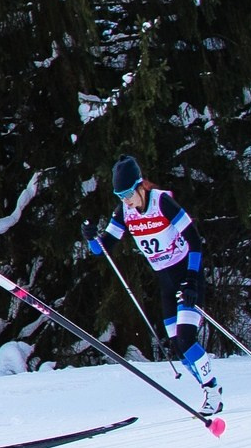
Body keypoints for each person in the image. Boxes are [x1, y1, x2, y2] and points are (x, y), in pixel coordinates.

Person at [87, 156, 223, 416]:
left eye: (128, 193)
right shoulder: (123, 212)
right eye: (119, 194)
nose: (125, 199)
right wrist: (91, 237)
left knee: (186, 337)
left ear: (140, 186)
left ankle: (213, 391)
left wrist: (193, 279)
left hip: (186, 274)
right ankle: (207, 389)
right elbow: (103, 248)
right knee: (176, 345)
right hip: (166, 281)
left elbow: (194, 240)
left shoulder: (162, 202)